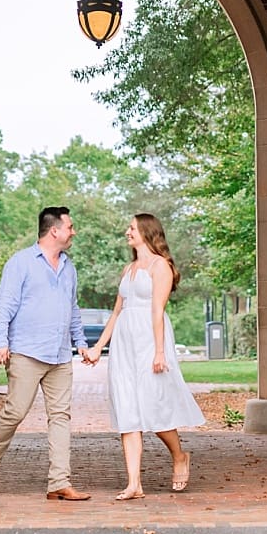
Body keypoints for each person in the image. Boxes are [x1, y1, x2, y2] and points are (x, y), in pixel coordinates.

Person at [0, 206, 96, 501]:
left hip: (59, 356)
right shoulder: (21, 263)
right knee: (14, 412)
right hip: (26, 352)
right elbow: (4, 304)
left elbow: (73, 307)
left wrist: (80, 341)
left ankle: (59, 482)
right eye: (70, 226)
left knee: (60, 416)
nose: (73, 232)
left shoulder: (69, 267)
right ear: (54, 230)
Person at [83, 213, 204, 500]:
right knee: (128, 411)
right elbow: (116, 312)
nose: (128, 232)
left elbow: (157, 311)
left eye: (132, 228)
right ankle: (134, 484)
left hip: (149, 340)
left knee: (154, 407)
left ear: (147, 232)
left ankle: (179, 456)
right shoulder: (129, 268)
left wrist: (160, 351)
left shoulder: (159, 266)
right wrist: (100, 346)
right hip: (124, 343)